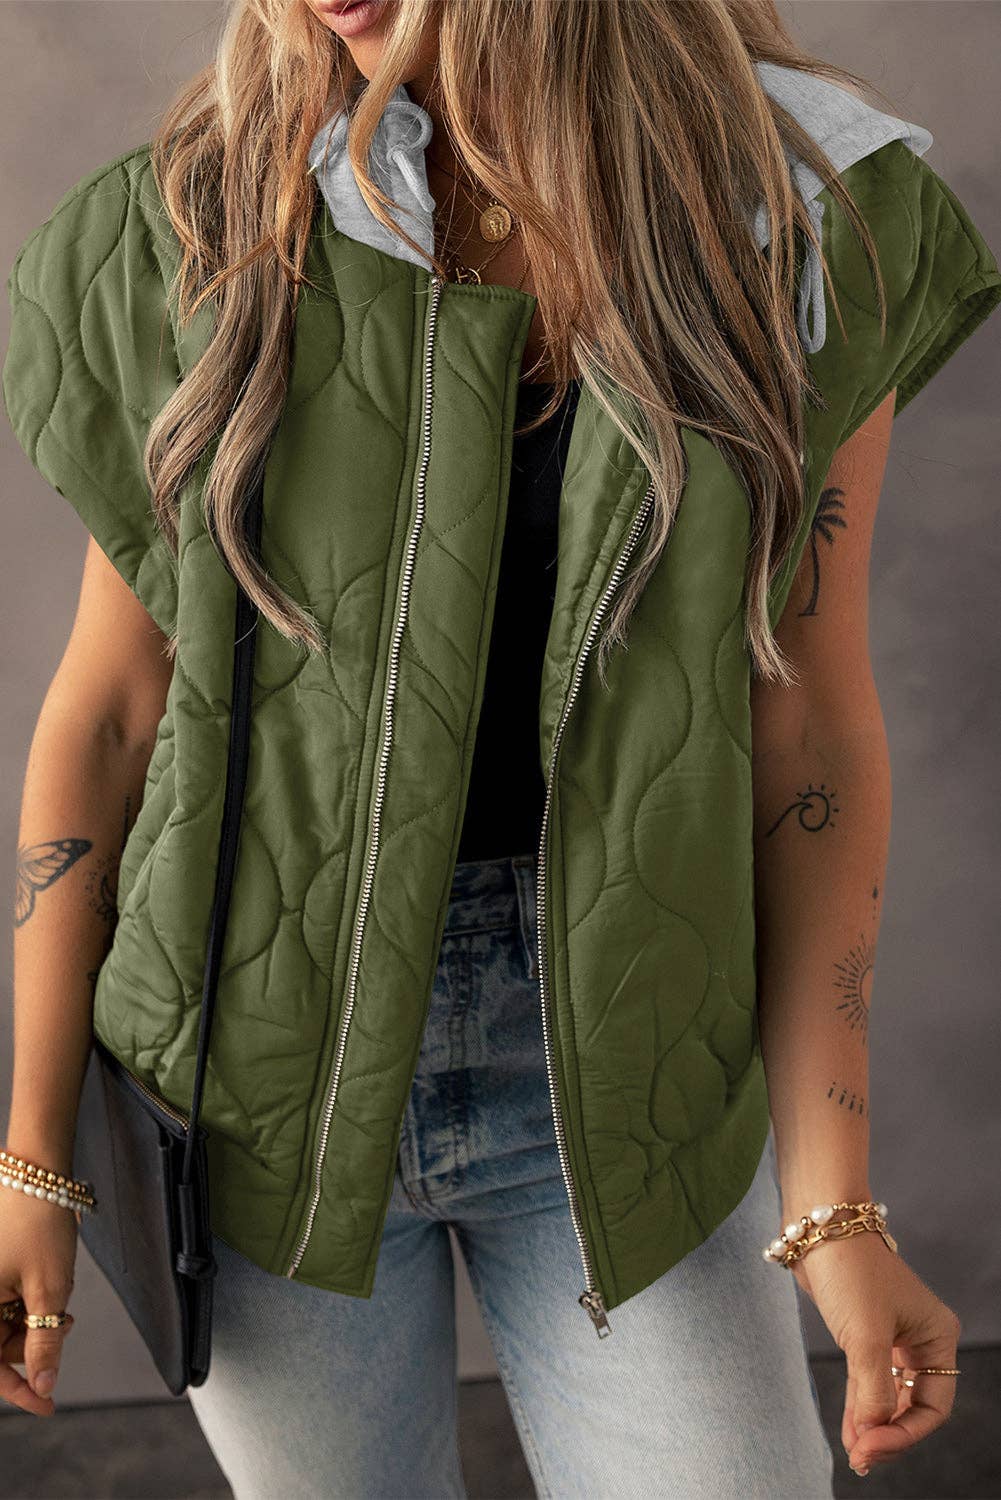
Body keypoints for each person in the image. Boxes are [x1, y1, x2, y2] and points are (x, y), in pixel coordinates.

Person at [2, 1, 998, 1495]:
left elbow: (805, 726)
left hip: (631, 1057)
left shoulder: (798, 224)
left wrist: (833, 1205)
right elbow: (111, 709)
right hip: (243, 1088)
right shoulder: (198, 225)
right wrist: (32, 1161)